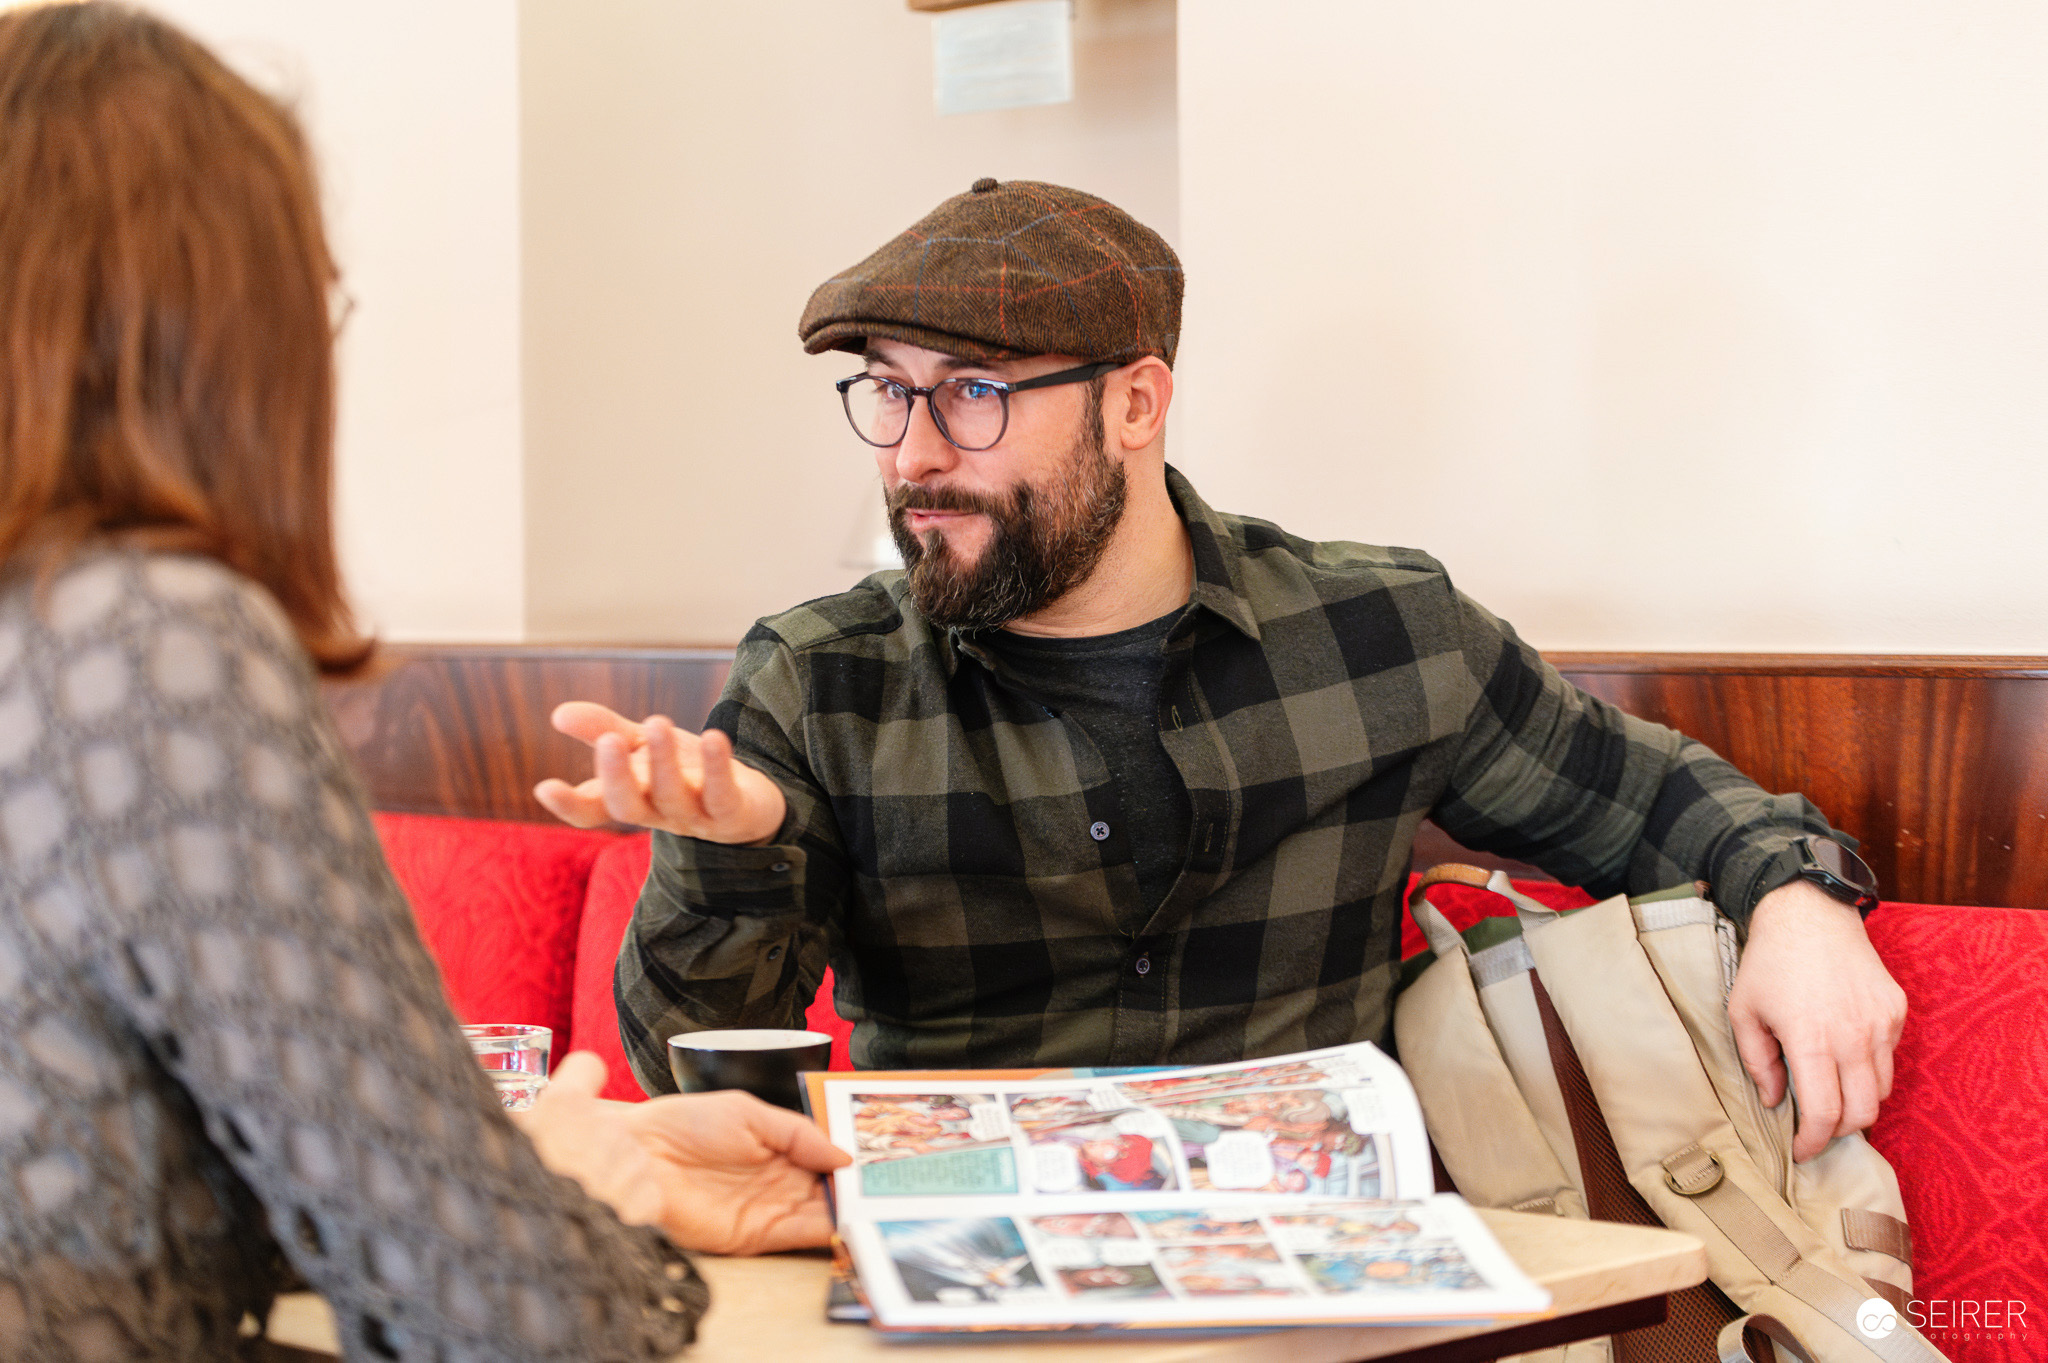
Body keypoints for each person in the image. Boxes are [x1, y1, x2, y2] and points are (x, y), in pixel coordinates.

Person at [538, 178, 1907, 1165]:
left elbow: (1651, 803)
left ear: (1136, 402)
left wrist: (1796, 900)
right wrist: (725, 852)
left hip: (1313, 1267)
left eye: (971, 392)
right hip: (950, 1268)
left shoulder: (1381, 635)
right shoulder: (821, 684)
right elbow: (684, 1087)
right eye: (888, 393)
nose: (911, 455)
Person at [0, 5, 845, 1359]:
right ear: (220, 325)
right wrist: (562, 1196)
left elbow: (113, 1176)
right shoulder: (148, 644)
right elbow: (505, 1319)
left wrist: (575, 1150)